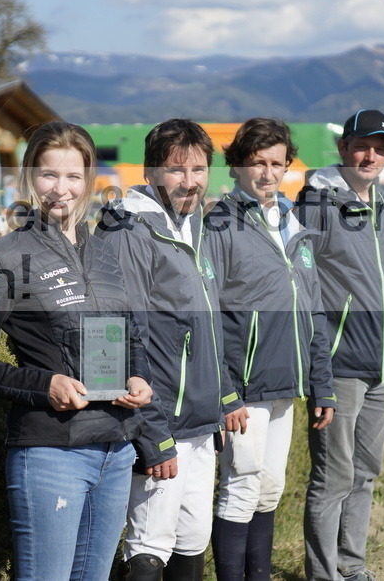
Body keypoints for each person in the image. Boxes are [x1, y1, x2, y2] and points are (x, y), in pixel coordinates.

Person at [0, 121, 159, 581]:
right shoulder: (4, 257)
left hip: (116, 448)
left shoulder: (106, 252)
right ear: (29, 177)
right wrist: (45, 384)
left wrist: (138, 377)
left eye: (73, 177)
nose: (60, 189)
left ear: (88, 181)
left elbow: (130, 337)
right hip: (51, 453)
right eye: (49, 175)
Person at [97, 118, 241, 580]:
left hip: (200, 423)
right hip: (161, 424)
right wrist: (151, 434)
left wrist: (221, 399)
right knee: (148, 545)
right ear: (151, 172)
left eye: (199, 169)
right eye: (177, 170)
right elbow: (116, 338)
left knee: (193, 540)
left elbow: (206, 326)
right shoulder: (128, 232)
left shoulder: (193, 227)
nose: (190, 181)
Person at [204, 118, 335, 580]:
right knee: (240, 487)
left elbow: (314, 309)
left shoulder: (293, 223)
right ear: (237, 165)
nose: (267, 173)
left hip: (289, 382)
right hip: (246, 386)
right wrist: (226, 393)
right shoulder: (219, 224)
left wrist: (323, 385)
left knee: (270, 488)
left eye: (276, 163)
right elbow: (208, 315)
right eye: (256, 163)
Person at [296, 109, 384, 581]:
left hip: (382, 366)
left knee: (366, 474)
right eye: (362, 145)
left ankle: (353, 568)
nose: (371, 156)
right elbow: (304, 289)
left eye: (381, 148)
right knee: (334, 478)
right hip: (340, 365)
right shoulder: (316, 203)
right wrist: (319, 369)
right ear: (343, 147)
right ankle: (324, 575)